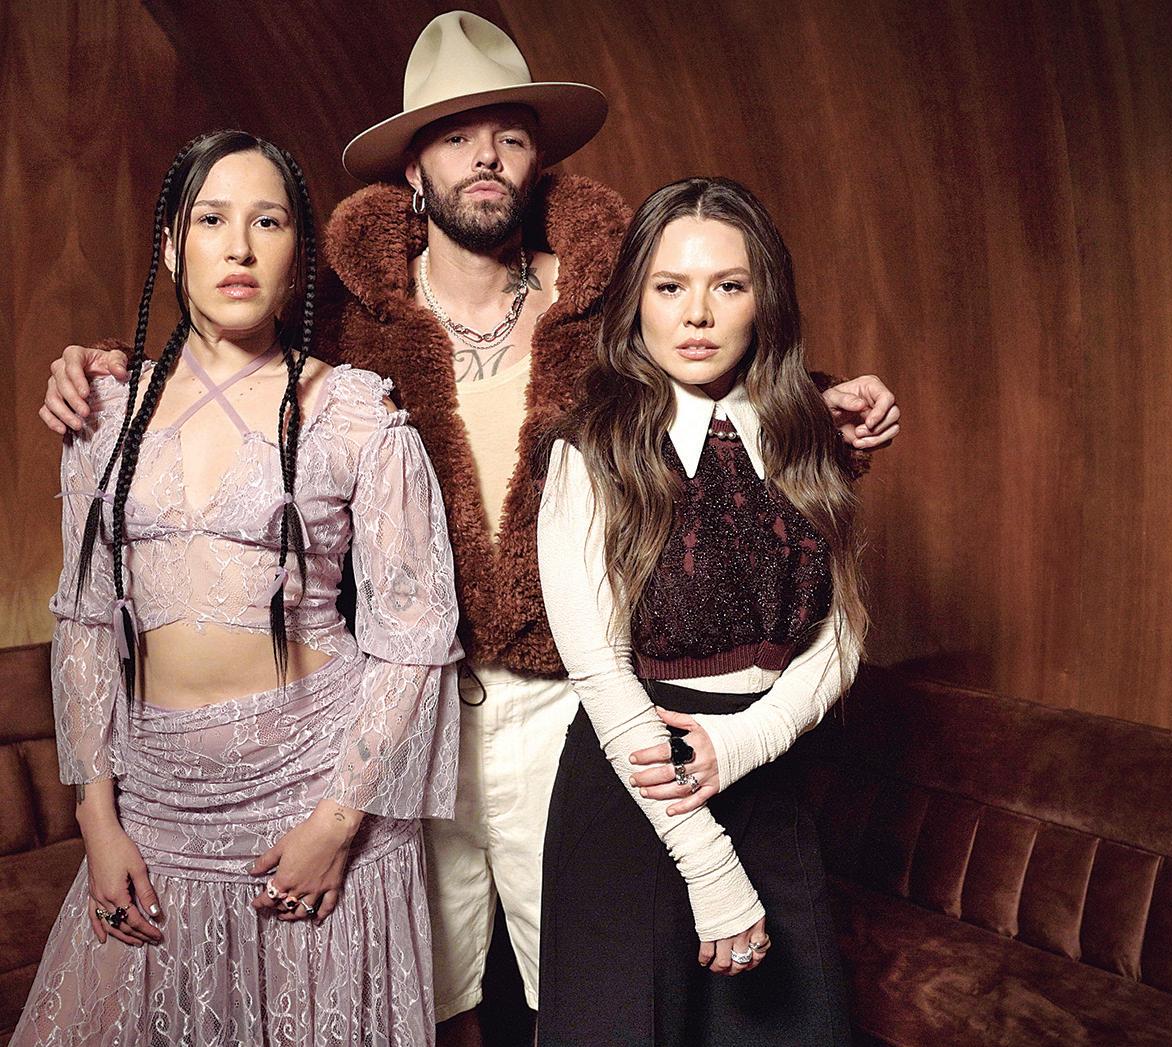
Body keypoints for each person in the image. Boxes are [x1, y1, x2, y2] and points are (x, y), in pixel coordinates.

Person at [36, 13, 900, 1042]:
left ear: (539, 163)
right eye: (454, 136)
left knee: (579, 984)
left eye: (509, 136)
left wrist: (821, 402)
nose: (484, 157)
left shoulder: (605, 302)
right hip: (407, 705)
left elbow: (707, 366)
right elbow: (227, 350)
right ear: (413, 168)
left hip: (569, 700)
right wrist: (98, 367)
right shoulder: (346, 317)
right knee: (420, 985)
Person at [13, 130, 460, 1046]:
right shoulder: (102, 413)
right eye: (212, 220)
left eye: (268, 222)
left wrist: (337, 823)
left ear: (298, 252)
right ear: (173, 248)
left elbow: (414, 636)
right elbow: (86, 625)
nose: (240, 248)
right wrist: (96, 817)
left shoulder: (356, 413)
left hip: (313, 792)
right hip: (153, 805)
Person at [535, 177, 866, 1045]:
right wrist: (709, 866)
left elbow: (840, 633)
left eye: (728, 285)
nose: (697, 315)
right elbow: (598, 669)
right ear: (634, 301)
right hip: (636, 792)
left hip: (767, 775)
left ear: (765, 300)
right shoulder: (589, 449)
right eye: (669, 286)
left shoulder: (805, 437)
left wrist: (747, 741)